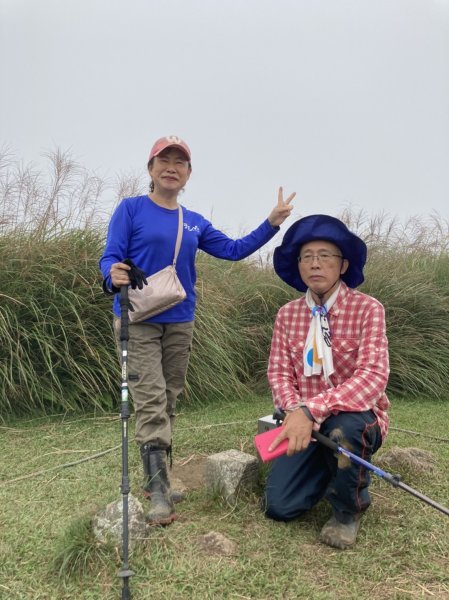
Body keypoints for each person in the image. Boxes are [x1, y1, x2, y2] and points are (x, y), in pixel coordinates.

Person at [99, 135, 295, 525]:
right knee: (151, 399)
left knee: (169, 398)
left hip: (180, 319)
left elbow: (235, 249)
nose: (172, 166)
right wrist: (111, 274)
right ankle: (158, 491)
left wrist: (270, 224)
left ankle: (160, 476)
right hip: (137, 318)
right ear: (151, 169)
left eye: (180, 162)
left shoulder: (194, 222)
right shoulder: (131, 209)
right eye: (164, 160)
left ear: (188, 173)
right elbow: (110, 257)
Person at [263, 214, 390, 549]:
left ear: (343, 264)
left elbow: (373, 377)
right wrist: (294, 411)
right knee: (279, 506)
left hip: (353, 418)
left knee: (344, 431)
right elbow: (278, 373)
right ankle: (333, 469)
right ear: (299, 265)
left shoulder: (368, 309)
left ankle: (349, 509)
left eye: (325, 256)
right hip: (304, 422)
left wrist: (310, 410)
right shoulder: (287, 314)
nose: (315, 264)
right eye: (307, 256)